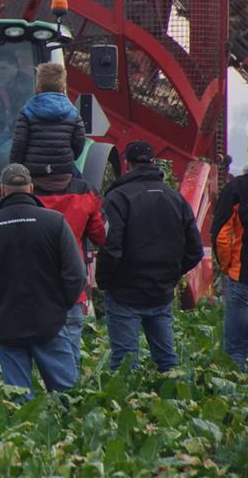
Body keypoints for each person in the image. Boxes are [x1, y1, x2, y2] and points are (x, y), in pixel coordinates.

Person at [0, 163, 86, 397]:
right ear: (31, 188)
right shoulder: (55, 222)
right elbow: (76, 274)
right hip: (49, 322)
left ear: (2, 190)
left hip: (6, 325)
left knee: (19, 400)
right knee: (68, 396)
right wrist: (59, 307)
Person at [97, 140, 203, 372]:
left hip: (125, 292)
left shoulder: (117, 198)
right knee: (167, 360)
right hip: (161, 291)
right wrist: (172, 273)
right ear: (153, 162)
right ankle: (173, 393)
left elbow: (111, 247)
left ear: (127, 163)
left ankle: (130, 396)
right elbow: (195, 249)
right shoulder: (175, 198)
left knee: (125, 365)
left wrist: (105, 281)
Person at [212, 129, 248, 372]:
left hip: (245, 276)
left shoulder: (237, 188)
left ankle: (237, 393)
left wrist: (228, 267)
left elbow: (221, 235)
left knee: (236, 350)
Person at [36, 177, 107, 363]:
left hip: (33, 292)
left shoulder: (23, 196)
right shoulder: (84, 191)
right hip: (71, 292)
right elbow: (101, 236)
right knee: (70, 356)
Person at [9, 62, 85, 194]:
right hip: (63, 171)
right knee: (82, 183)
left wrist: (15, 166)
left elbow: (19, 144)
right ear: (63, 87)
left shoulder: (27, 111)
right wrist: (69, 157)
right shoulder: (72, 112)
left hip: (34, 173)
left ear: (38, 87)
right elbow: (79, 142)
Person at [0, 48, 35, 120]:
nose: (0, 73)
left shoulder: (25, 84)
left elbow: (26, 111)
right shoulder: (6, 83)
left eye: (3, 68)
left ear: (15, 66)